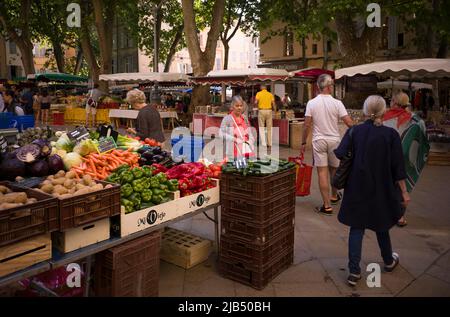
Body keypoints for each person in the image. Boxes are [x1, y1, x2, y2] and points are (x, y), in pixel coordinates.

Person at [334, 95, 409, 286]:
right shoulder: (391, 135)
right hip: (381, 187)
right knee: (381, 224)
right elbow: (398, 167)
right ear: (383, 111)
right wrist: (404, 192)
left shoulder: (355, 132)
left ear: (365, 111)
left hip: (357, 185)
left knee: (356, 227)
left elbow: (341, 154)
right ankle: (389, 261)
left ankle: (354, 272)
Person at [301, 74, 353, 215]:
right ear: (330, 87)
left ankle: (327, 205)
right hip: (335, 140)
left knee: (322, 172)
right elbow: (349, 123)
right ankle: (334, 196)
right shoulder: (337, 103)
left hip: (319, 140)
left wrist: (303, 141)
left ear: (318, 86)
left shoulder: (312, 103)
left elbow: (306, 125)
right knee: (334, 171)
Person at [383, 91, 430, 227]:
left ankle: (387, 212)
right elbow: (423, 139)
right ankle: (400, 216)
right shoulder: (416, 120)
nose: (390, 103)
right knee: (403, 185)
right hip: (407, 157)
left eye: (391, 100)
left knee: (388, 183)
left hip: (388, 156)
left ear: (396, 103)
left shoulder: (385, 117)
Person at [219, 95, 255, 160]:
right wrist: (234, 139)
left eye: (241, 106)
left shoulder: (244, 118)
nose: (239, 108)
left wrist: (251, 141)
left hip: (245, 151)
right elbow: (221, 134)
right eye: (237, 106)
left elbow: (249, 132)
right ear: (232, 106)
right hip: (232, 151)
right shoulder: (227, 119)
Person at [254, 85, 275, 153]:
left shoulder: (258, 93)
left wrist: (255, 107)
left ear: (261, 88)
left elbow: (255, 102)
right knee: (269, 128)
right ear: (266, 88)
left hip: (261, 111)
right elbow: (273, 103)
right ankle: (269, 143)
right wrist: (275, 110)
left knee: (261, 127)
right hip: (269, 111)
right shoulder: (270, 94)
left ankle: (263, 143)